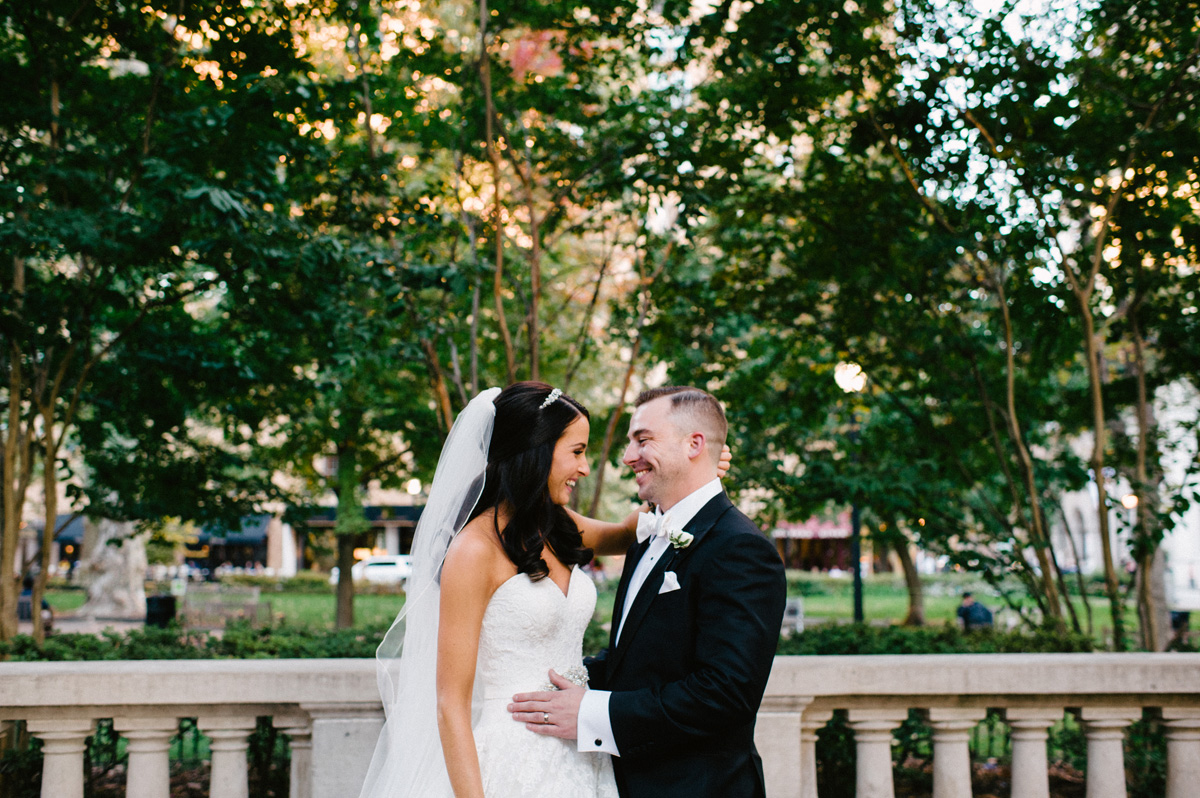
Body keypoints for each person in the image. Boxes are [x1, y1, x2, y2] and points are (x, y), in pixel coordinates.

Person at [358, 383, 731, 798]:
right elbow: (450, 705)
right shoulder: (473, 551)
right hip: (512, 760)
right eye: (576, 451)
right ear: (536, 450)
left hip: (583, 753)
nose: (585, 467)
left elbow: (629, 533)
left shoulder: (559, 524)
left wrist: (698, 466)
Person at [509, 386, 788, 798]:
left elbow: (725, 695)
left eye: (643, 439)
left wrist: (593, 713)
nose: (627, 457)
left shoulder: (741, 549)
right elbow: (636, 663)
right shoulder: (646, 535)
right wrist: (541, 680)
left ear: (694, 444)